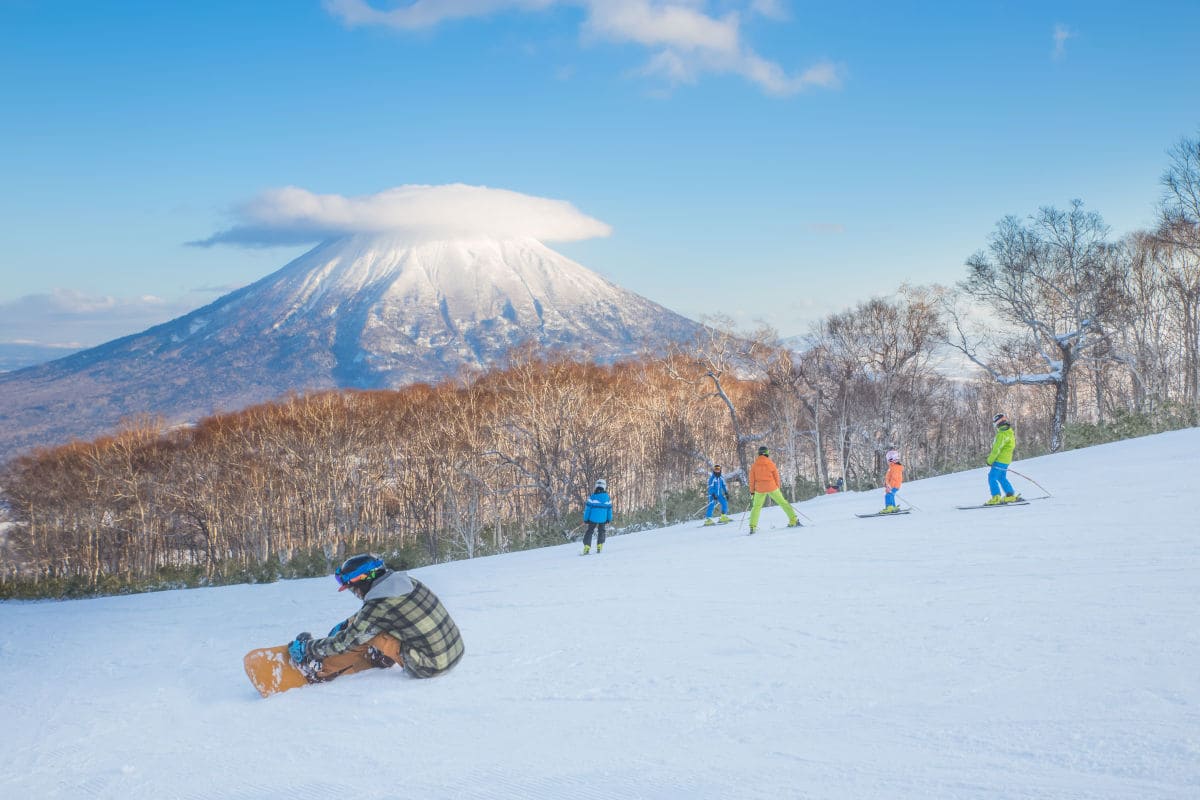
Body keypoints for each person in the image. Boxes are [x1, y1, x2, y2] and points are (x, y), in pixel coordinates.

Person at [286, 554, 464, 683]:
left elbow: (346, 642)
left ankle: (319, 670)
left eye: (352, 588)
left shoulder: (378, 604)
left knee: (367, 635)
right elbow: (378, 615)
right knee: (369, 627)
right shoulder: (406, 583)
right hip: (453, 652)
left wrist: (308, 648)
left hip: (429, 666)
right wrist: (350, 623)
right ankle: (380, 656)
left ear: (363, 581)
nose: (354, 593)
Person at [747, 446, 799, 534]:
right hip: (772, 487)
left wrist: (752, 491)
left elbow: (752, 480)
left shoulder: (754, 465)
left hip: (760, 489)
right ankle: (793, 519)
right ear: (767, 453)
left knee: (756, 507)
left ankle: (752, 527)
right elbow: (776, 476)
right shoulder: (770, 463)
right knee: (783, 503)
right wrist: (777, 487)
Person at [985, 413, 1022, 505]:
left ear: (998, 423)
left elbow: (996, 450)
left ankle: (996, 497)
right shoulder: (1010, 432)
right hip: (1006, 460)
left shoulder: (1002, 435)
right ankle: (1010, 495)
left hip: (999, 460)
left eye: (995, 423)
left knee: (992, 477)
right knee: (1002, 477)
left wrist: (989, 461)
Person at [582, 478, 613, 554]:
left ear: (596, 486)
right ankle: (599, 545)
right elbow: (609, 510)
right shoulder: (607, 498)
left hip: (593, 518)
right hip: (603, 519)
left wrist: (586, 519)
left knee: (590, 531)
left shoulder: (592, 497)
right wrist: (609, 519)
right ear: (604, 486)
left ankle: (587, 546)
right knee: (601, 531)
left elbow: (588, 510)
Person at [880, 448, 904, 513]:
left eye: (888, 460)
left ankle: (889, 508)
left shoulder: (895, 468)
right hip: (893, 485)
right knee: (891, 495)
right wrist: (887, 483)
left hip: (894, 485)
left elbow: (894, 478)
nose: (887, 461)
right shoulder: (892, 467)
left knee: (888, 495)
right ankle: (893, 507)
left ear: (892, 460)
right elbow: (889, 477)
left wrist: (890, 486)